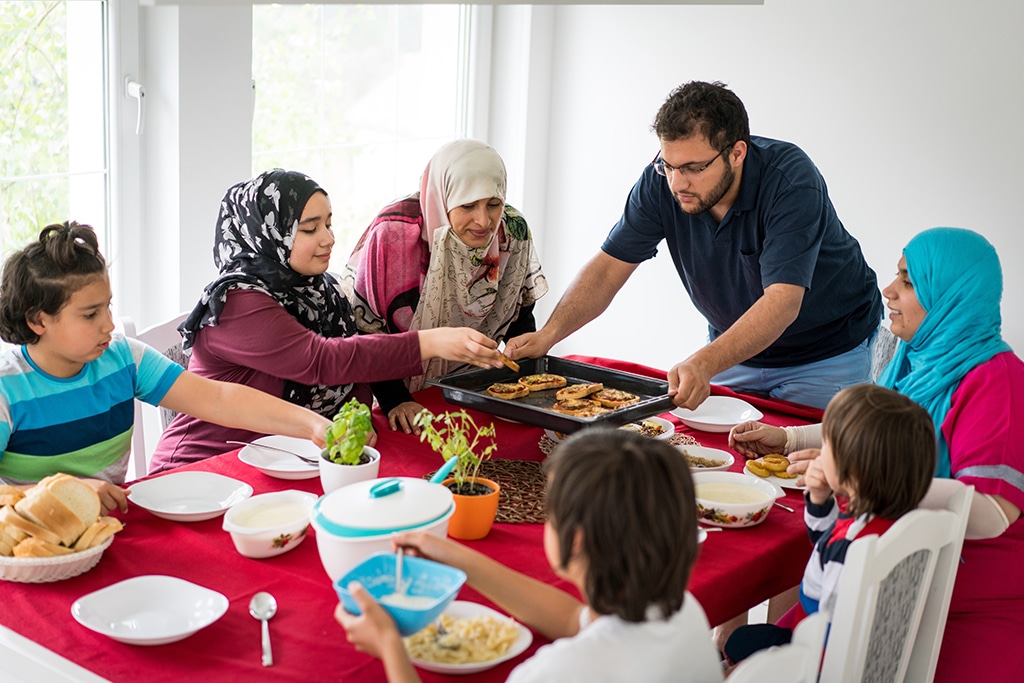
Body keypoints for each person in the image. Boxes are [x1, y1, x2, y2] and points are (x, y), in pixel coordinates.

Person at [730, 227, 1024, 682]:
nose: (888, 290)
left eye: (907, 281)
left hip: (961, 596)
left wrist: (864, 477)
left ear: (949, 294)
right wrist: (789, 439)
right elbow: (867, 436)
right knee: (759, 655)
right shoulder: (911, 356)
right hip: (872, 570)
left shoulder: (999, 379)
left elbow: (993, 512)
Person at [505, 80, 882, 411]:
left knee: (811, 474)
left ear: (737, 152)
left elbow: (782, 302)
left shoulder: (791, 181)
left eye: (694, 168)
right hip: (734, 349)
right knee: (720, 461)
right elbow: (608, 268)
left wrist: (703, 362)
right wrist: (548, 335)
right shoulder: (661, 181)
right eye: (668, 165)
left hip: (826, 351)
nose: (677, 183)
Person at [149, 170, 505, 473]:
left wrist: (358, 418)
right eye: (309, 229)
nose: (329, 238)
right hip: (205, 469)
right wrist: (430, 342)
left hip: (288, 461)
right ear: (269, 235)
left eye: (329, 223)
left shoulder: (321, 290)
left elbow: (354, 375)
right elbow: (322, 361)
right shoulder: (236, 302)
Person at [334, 429, 723, 683]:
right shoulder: (683, 610)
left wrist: (389, 646)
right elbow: (575, 619)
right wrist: (455, 556)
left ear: (576, 540)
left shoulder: (557, 672)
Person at [0, 222, 331, 513]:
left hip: (108, 530)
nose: (109, 324)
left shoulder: (123, 358)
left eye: (108, 307)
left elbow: (219, 399)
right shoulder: (7, 388)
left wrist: (312, 425)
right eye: (90, 314)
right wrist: (61, 493)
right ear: (37, 319)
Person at [341, 139, 548, 433]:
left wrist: (525, 366)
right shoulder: (394, 233)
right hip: (396, 390)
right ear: (443, 197)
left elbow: (519, 309)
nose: (484, 220)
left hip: (472, 388)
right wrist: (395, 399)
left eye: (494, 204)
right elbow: (365, 327)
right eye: (467, 206)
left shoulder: (512, 230)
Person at [723, 383, 935, 666]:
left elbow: (834, 630)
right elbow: (826, 535)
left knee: (738, 645)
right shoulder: (887, 521)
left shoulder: (846, 553)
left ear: (853, 472)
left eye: (829, 447)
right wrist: (820, 499)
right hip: (863, 650)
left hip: (819, 655)